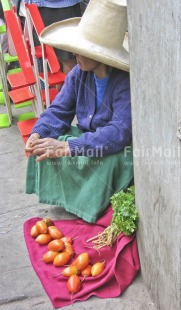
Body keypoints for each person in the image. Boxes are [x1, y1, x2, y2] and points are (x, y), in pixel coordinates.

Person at [25, 0, 133, 223]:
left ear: (100, 55)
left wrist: (68, 147)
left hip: (112, 147)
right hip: (87, 138)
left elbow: (119, 131)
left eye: (82, 51)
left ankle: (90, 206)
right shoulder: (78, 74)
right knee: (45, 143)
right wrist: (38, 133)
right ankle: (73, 201)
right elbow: (58, 110)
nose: (75, 55)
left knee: (111, 161)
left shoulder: (123, 82)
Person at [23, 0, 82, 75]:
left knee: (67, 57)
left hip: (64, 7)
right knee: (49, 59)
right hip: (38, 8)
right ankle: (61, 86)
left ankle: (67, 86)